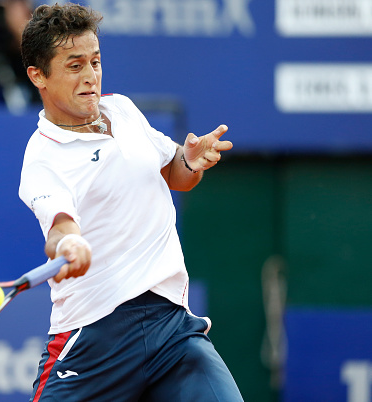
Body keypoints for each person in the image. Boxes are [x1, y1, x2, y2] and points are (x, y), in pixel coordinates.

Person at [18, 3, 243, 401]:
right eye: (74, 66)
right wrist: (69, 243)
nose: (91, 78)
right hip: (95, 337)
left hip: (171, 328)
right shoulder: (42, 158)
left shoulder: (121, 110)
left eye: (95, 61)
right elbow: (59, 225)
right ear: (38, 76)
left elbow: (174, 171)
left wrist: (191, 160)